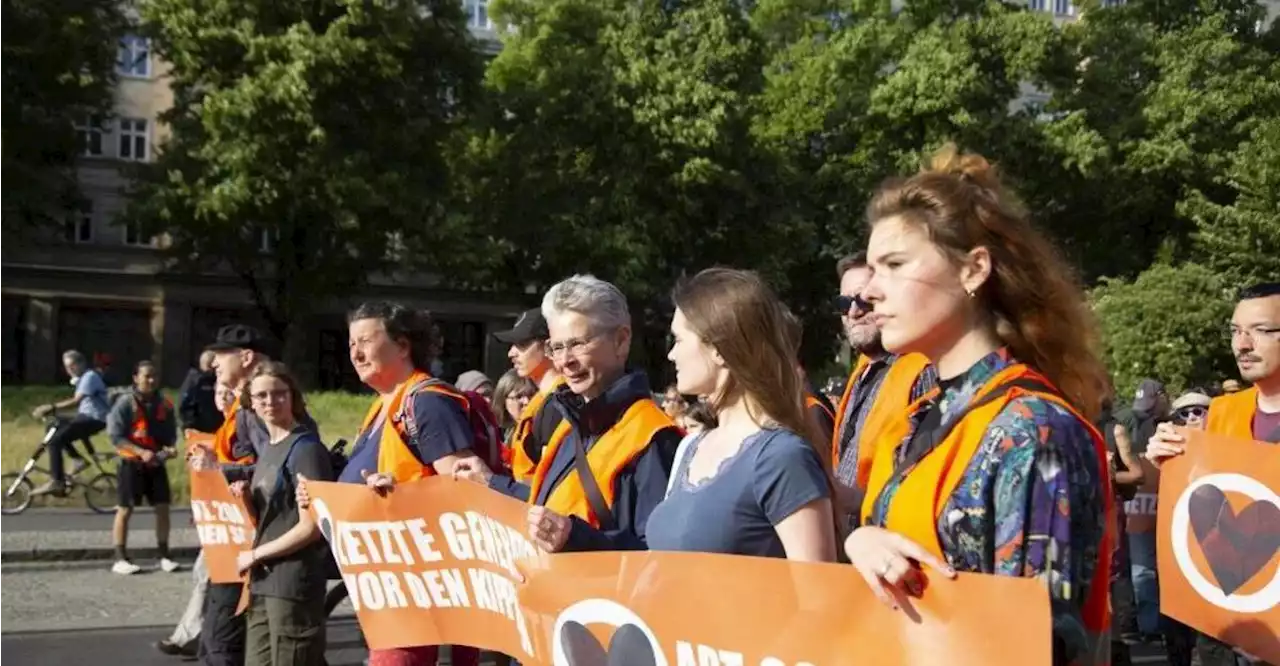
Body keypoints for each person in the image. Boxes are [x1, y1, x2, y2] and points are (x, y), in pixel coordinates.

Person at [847, 144, 1113, 666]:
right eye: (871, 269)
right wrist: (861, 541)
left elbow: (1044, 645)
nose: (869, 292)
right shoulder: (921, 415)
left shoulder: (1034, 431)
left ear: (973, 271)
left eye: (894, 264)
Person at [298, 301, 485, 666]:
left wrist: (398, 492)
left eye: (366, 340)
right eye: (351, 343)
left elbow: (465, 488)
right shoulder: (382, 406)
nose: (355, 352)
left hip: (414, 585)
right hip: (387, 582)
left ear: (402, 345)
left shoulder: (426, 402)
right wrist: (322, 499)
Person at [455, 274, 682, 554]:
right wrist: (491, 482)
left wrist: (576, 538)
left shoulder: (654, 437)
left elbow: (661, 557)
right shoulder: (570, 423)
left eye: (578, 344)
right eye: (557, 347)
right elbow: (546, 507)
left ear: (621, 341)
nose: (565, 361)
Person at [646, 267, 837, 561]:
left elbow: (816, 596)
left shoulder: (781, 458)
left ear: (719, 350)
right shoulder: (691, 447)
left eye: (679, 340)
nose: (671, 355)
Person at [1146, 281, 1280, 666]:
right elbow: (1193, 502)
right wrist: (1167, 462)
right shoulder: (1221, 413)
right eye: (1236, 331)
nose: (1242, 344)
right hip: (1224, 628)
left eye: (1260, 330)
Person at [234, 362, 333, 666]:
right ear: (251, 402)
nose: (270, 401)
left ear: (293, 397)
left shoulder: (305, 449)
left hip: (293, 584)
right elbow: (273, 517)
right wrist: (247, 499)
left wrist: (255, 555)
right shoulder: (269, 448)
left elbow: (311, 528)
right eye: (261, 395)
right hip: (265, 579)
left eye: (278, 393)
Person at [829, 254, 937, 529]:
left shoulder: (922, 372)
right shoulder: (861, 373)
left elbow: (922, 487)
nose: (853, 312)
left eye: (864, 300)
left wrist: (857, 501)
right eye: (843, 303)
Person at [156, 380, 239, 658]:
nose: (223, 397)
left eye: (229, 391)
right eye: (218, 392)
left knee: (207, 574)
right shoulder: (225, 428)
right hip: (225, 519)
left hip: (239, 520)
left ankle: (195, 636)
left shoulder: (241, 425)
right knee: (205, 574)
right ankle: (194, 635)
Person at [106, 360, 180, 576]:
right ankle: (120, 557)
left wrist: (169, 449)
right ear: (135, 378)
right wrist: (140, 452)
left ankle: (164, 555)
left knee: (163, 508)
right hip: (130, 463)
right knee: (125, 509)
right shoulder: (124, 403)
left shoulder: (164, 404)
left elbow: (169, 435)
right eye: (146, 376)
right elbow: (115, 436)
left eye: (154, 376)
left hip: (156, 463)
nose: (151, 380)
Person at [493, 308, 564, 482]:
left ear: (549, 346)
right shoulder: (542, 401)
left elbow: (549, 488)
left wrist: (489, 480)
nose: (511, 353)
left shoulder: (558, 405)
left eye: (522, 344)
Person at [30, 350, 112, 496]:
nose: (69, 370)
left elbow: (76, 401)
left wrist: (51, 407)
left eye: (72, 366)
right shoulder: (83, 379)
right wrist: (52, 413)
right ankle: (77, 460)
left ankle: (56, 481)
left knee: (55, 441)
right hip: (85, 416)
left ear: (81, 364)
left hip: (94, 419)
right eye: (67, 367)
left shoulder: (90, 376)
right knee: (53, 425)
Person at [179, 350, 224, 434]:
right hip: (198, 430)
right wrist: (189, 426)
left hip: (219, 429)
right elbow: (185, 405)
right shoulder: (194, 381)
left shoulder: (219, 379)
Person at [492, 370, 537, 443]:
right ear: (503, 401)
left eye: (531, 395)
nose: (527, 401)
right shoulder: (500, 436)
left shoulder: (539, 433)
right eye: (519, 397)